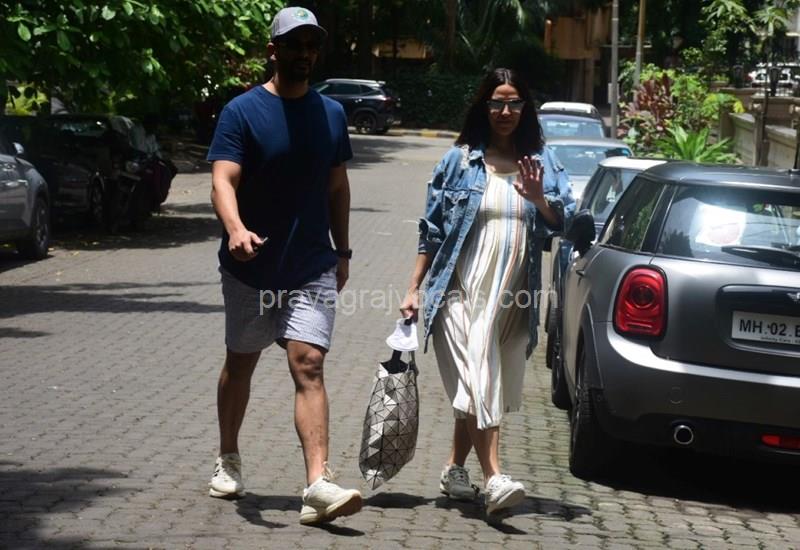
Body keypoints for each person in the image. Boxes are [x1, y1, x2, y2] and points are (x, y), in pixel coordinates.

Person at [206, 6, 362, 525]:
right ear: (273, 50)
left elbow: (337, 186)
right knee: (241, 362)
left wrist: (343, 251)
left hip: (311, 264)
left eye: (312, 45)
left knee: (308, 363)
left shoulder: (331, 114)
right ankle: (228, 455)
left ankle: (317, 484)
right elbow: (223, 179)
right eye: (295, 44)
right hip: (250, 267)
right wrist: (235, 229)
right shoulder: (241, 111)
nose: (305, 54)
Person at [400, 68, 575, 516]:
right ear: (484, 106)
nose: (505, 111)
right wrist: (414, 288)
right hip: (459, 290)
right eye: (497, 102)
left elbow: (567, 222)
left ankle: (455, 468)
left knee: (479, 378)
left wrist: (539, 199)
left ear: (525, 108)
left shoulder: (542, 162)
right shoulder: (459, 162)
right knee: (481, 373)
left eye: (514, 102)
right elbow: (432, 231)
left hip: (513, 299)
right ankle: (495, 476)